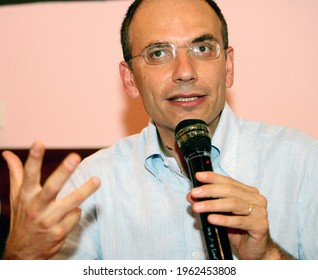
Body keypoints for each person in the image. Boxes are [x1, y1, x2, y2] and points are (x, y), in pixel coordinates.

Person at [2, 0, 318, 260]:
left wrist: (268, 259)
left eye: (202, 49)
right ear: (129, 80)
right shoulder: (91, 183)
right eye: (158, 53)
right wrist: (20, 260)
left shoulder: (303, 161)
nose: (184, 72)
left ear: (229, 66)